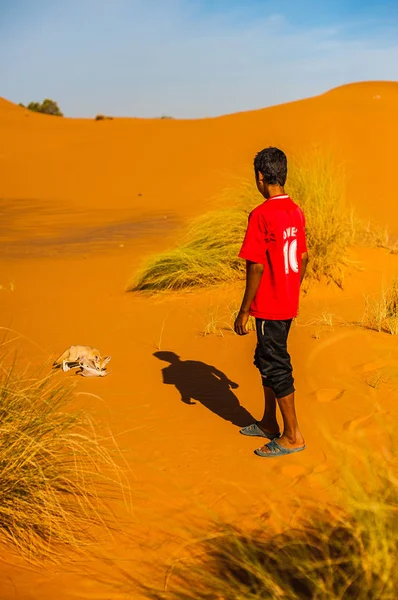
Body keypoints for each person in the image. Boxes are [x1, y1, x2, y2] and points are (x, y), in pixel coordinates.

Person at [234, 147, 308, 458]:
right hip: (286, 303)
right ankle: (268, 422)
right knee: (265, 358)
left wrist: (244, 310)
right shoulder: (295, 210)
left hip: (269, 305)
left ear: (261, 177)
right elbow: (303, 258)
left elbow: (256, 266)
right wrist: (293, 290)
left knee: (276, 365)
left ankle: (292, 435)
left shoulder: (261, 214)